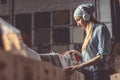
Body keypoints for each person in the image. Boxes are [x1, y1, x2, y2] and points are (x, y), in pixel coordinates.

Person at [64, 4, 111, 80]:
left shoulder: (100, 29)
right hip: (89, 74)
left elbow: (102, 57)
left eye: (78, 20)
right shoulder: (90, 32)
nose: (77, 24)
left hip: (99, 74)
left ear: (86, 17)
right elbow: (92, 57)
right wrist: (77, 53)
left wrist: (80, 66)